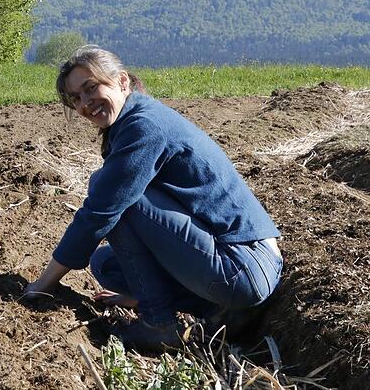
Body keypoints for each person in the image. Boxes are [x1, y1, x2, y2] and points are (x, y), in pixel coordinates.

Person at [23, 45, 282, 351]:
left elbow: (102, 211)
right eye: (75, 99)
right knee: (105, 264)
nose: (85, 104)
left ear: (122, 81)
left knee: (119, 200)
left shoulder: (144, 126)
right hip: (243, 266)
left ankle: (159, 324)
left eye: (91, 88)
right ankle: (219, 312)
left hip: (243, 267)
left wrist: (44, 283)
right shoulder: (135, 119)